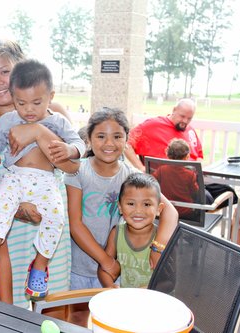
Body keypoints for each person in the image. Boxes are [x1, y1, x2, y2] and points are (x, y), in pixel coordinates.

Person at [0, 39, 73, 312]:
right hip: (4, 231)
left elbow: (74, 167)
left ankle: (41, 269)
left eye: (5, 71)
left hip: (50, 224)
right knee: (8, 312)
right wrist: (18, 209)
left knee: (53, 311)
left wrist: (37, 131)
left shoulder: (54, 113)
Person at [64, 108, 178, 327]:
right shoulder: (77, 171)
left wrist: (158, 247)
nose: (109, 143)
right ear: (89, 139)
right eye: (101, 136)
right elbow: (75, 224)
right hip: (80, 265)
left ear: (126, 139)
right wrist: (106, 261)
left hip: (116, 268)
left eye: (117, 136)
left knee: (114, 320)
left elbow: (170, 211)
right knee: (78, 317)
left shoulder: (130, 174)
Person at [125, 98, 237, 208]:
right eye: (182, 116)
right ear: (174, 110)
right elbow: (126, 144)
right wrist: (141, 168)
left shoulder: (190, 130)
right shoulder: (151, 126)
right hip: (171, 189)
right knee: (217, 196)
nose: (185, 121)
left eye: (189, 118)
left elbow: (198, 156)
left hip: (191, 182)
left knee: (228, 191)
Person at [97, 173, 164, 288]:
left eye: (146, 204)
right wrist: (110, 286)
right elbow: (104, 269)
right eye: (131, 203)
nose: (138, 210)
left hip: (153, 302)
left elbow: (170, 281)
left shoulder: (161, 240)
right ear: (120, 207)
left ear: (159, 209)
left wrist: (147, 290)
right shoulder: (116, 233)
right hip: (125, 301)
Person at [152, 138, 199, 220]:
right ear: (187, 157)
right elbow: (195, 193)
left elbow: (151, 183)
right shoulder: (190, 174)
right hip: (185, 212)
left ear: (167, 154)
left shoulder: (161, 170)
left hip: (166, 210)